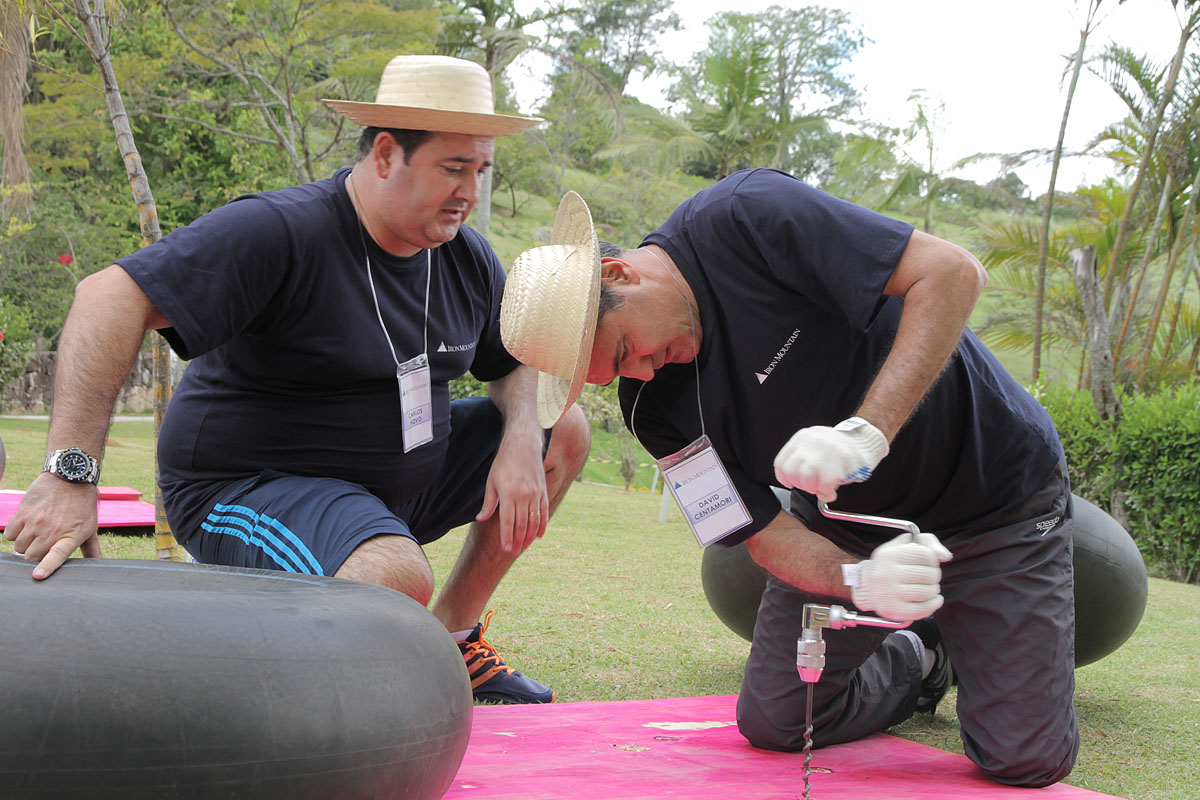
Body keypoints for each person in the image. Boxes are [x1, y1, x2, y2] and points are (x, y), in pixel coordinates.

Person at [4, 54, 590, 706]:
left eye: (480, 170)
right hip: (248, 487)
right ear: (386, 154)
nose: (470, 192)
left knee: (561, 428)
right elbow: (107, 296)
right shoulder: (282, 230)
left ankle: (454, 638)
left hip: (393, 491)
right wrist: (70, 473)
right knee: (392, 574)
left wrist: (519, 440)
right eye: (453, 168)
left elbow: (513, 363)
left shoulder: (464, 256)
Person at [499, 172, 1078, 784]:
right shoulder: (652, 411)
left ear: (619, 276)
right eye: (618, 374)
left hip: (997, 499)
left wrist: (867, 433)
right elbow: (761, 534)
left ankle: (989, 629)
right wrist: (858, 579)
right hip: (849, 530)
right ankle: (922, 656)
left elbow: (952, 273)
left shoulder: (747, 217)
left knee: (1025, 759)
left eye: (624, 351)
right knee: (777, 720)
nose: (641, 373)